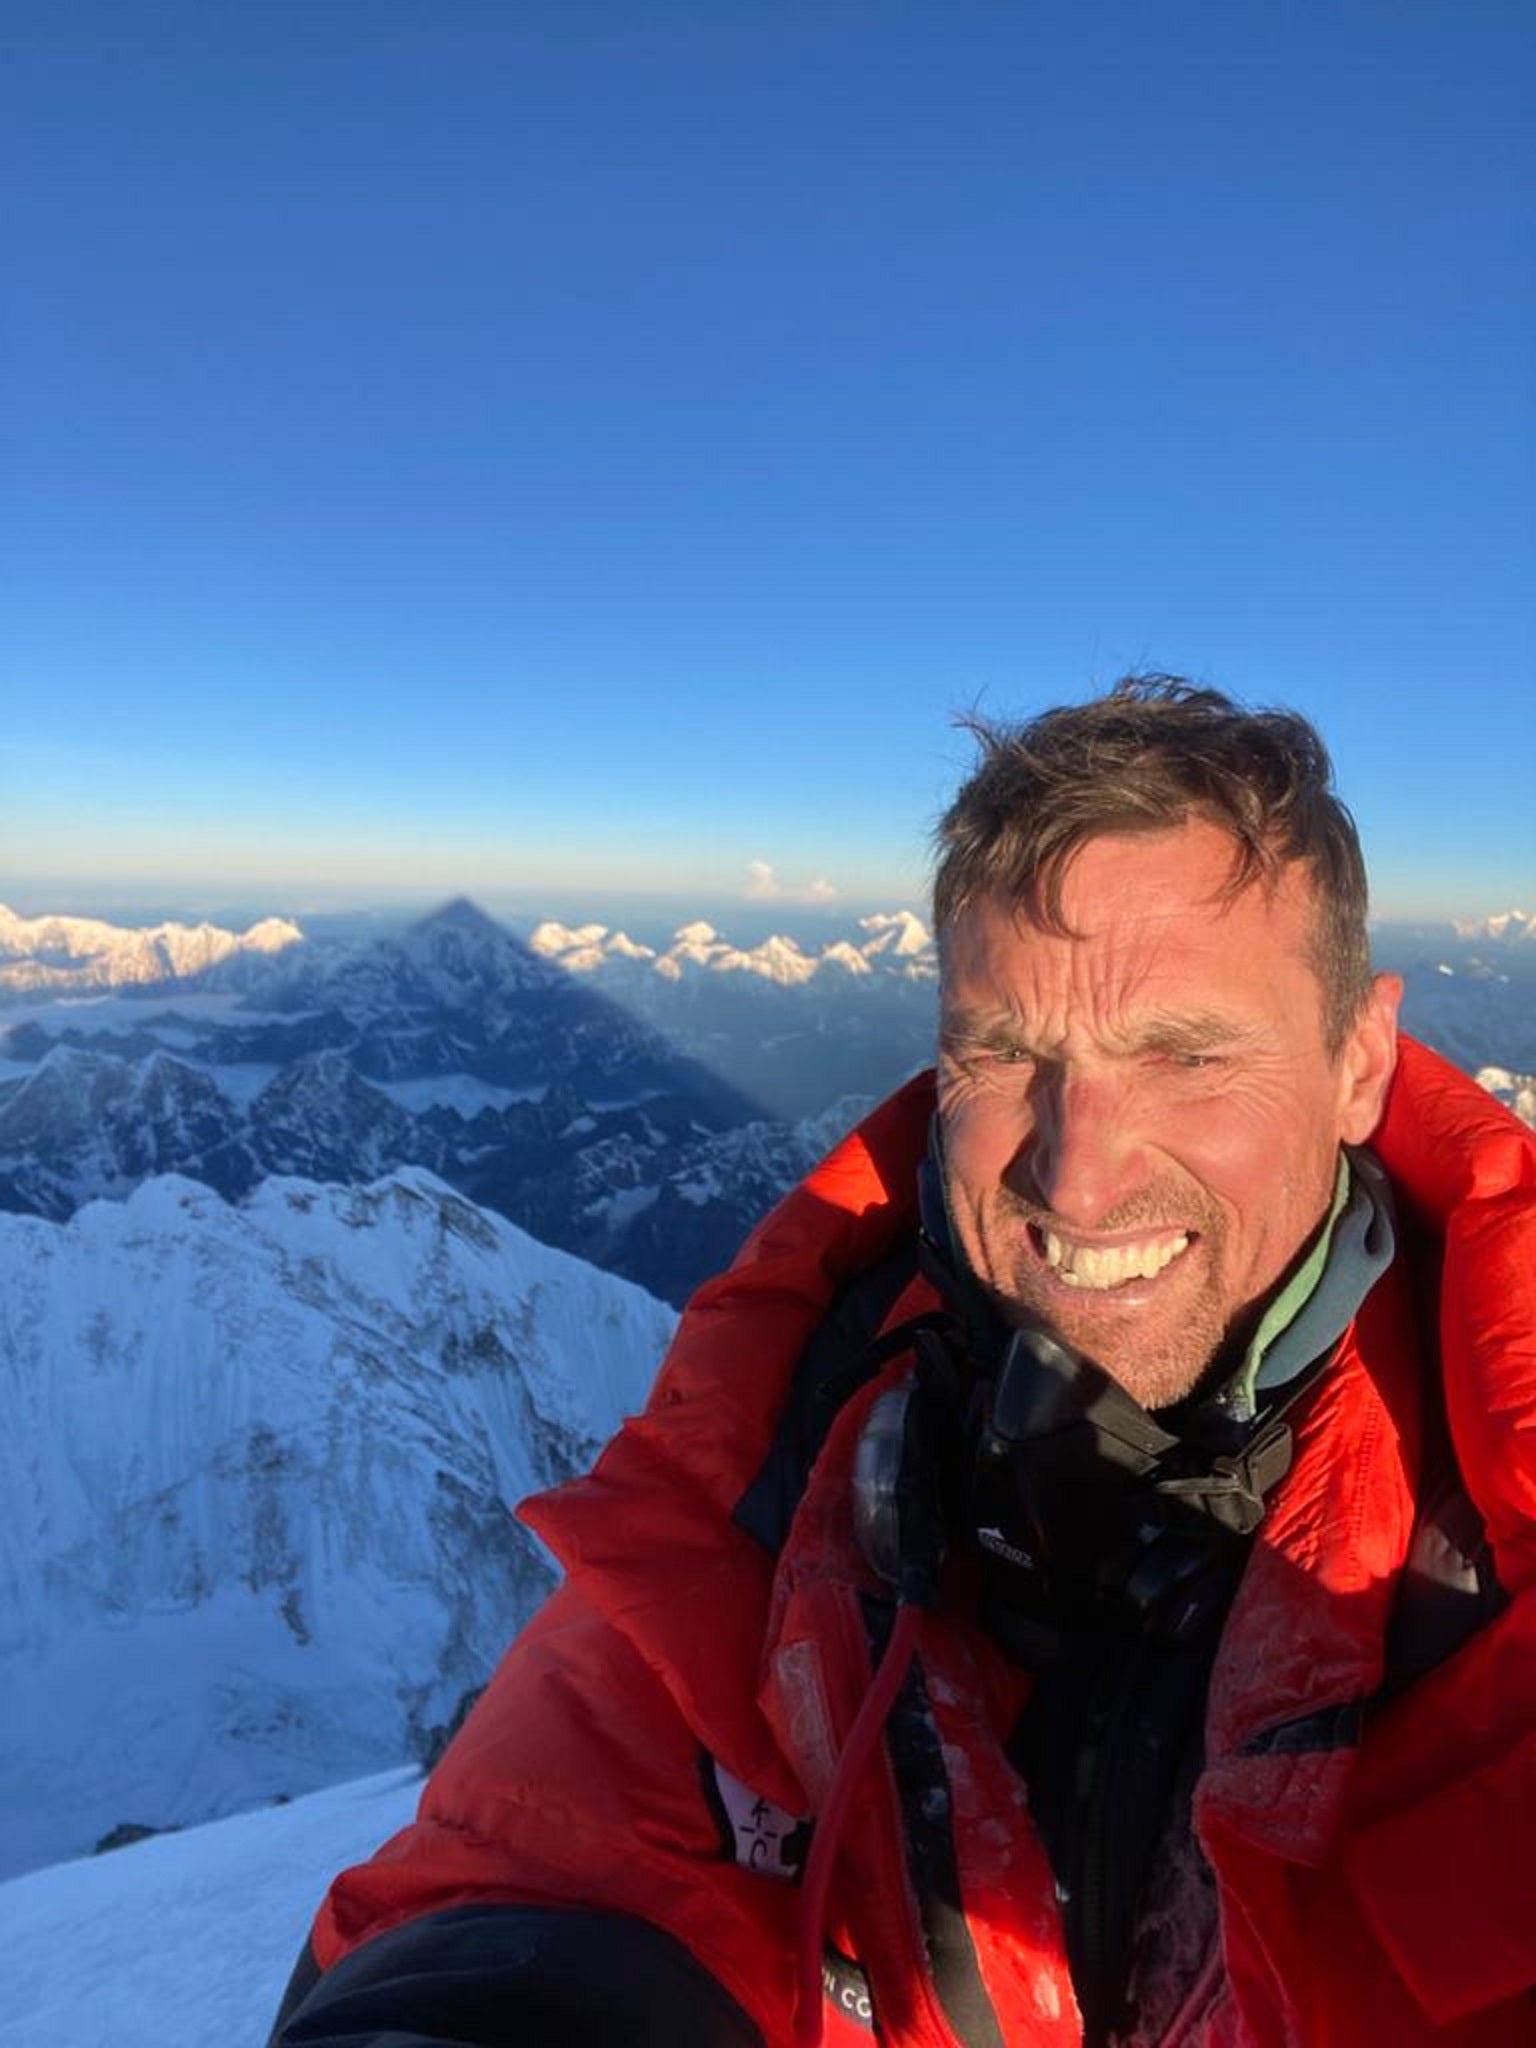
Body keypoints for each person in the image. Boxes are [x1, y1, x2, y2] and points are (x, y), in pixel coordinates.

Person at [270, 678, 1536, 2047]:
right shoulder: (777, 1475)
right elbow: (550, 1852)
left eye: (1184, 1054)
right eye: (1005, 1055)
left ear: (1359, 1061)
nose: (1079, 1171)